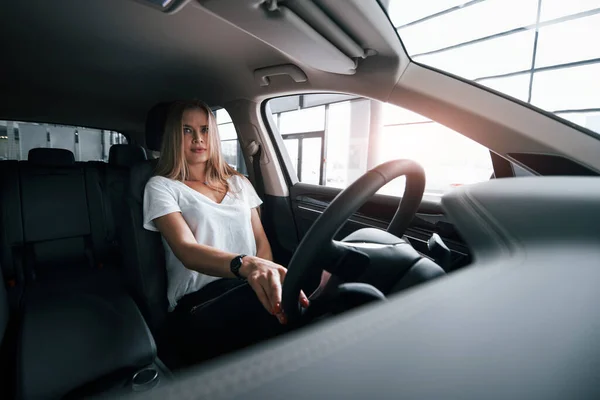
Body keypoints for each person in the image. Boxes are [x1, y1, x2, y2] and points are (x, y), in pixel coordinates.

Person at [142, 100, 309, 364]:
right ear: (174, 136)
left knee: (305, 284)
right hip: (198, 301)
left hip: (246, 282)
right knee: (277, 311)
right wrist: (248, 266)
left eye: (205, 130)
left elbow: (261, 244)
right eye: (187, 130)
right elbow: (187, 251)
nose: (198, 138)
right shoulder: (162, 187)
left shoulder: (238, 182)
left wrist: (263, 276)